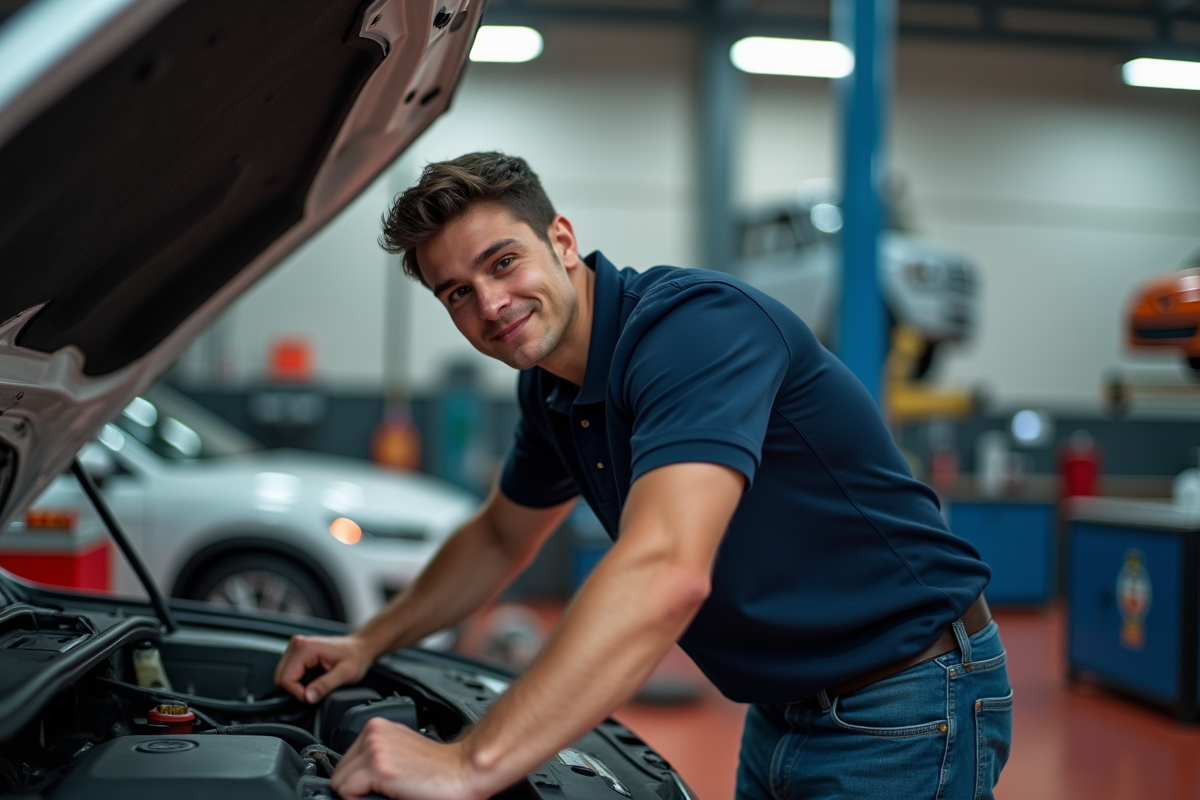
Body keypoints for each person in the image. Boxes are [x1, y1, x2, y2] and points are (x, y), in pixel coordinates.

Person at [273, 152, 1013, 800]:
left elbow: (665, 570)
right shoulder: (553, 390)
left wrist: (470, 761)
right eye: (456, 292)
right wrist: (368, 641)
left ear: (561, 240)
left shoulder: (693, 331)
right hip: (784, 705)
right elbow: (501, 537)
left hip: (907, 695)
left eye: (503, 263)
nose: (490, 304)